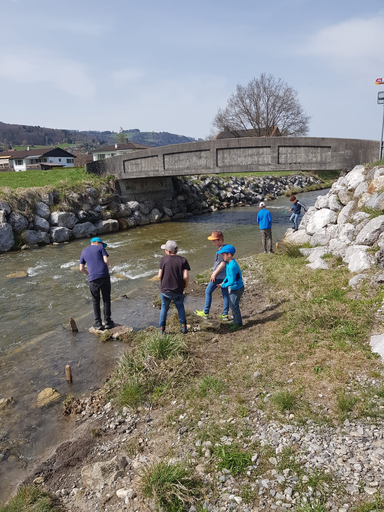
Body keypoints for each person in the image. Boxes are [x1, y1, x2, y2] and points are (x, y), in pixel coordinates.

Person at [79, 237, 114, 330]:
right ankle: (108, 322)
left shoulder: (84, 251)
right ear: (97, 242)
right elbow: (106, 261)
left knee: (95, 300)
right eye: (102, 244)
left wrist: (89, 274)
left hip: (92, 279)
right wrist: (105, 271)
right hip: (104, 276)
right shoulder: (100, 248)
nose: (103, 246)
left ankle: (98, 323)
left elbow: (81, 268)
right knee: (106, 299)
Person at [194, 230, 229, 321]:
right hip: (225, 276)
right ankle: (225, 315)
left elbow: (222, 264)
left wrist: (214, 274)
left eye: (214, 241)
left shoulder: (221, 250)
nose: (213, 243)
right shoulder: (226, 248)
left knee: (208, 291)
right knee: (225, 294)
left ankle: (205, 312)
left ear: (220, 239)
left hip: (218, 276)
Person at [158, 240, 190, 334]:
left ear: (167, 251)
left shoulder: (163, 260)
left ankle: (161, 329)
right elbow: (186, 276)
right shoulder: (183, 260)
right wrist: (186, 284)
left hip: (165, 290)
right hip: (178, 289)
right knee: (180, 307)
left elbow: (159, 275)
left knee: (164, 307)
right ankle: (183, 327)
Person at [217, 244, 244, 332]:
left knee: (234, 306)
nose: (222, 256)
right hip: (234, 288)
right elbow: (228, 276)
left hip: (237, 288)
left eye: (223, 254)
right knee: (232, 305)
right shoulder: (229, 263)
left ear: (229, 255)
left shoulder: (232, 266)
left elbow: (231, 282)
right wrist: (224, 281)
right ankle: (235, 321)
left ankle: (238, 324)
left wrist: (223, 285)